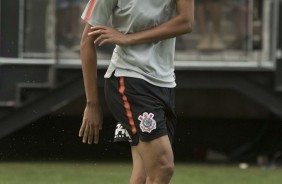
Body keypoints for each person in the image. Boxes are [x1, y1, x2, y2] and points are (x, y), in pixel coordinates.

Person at [78, 0, 194, 183]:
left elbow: (186, 22)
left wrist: (128, 38)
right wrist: (92, 104)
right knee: (163, 167)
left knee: (144, 175)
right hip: (128, 81)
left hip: (165, 83)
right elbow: (86, 43)